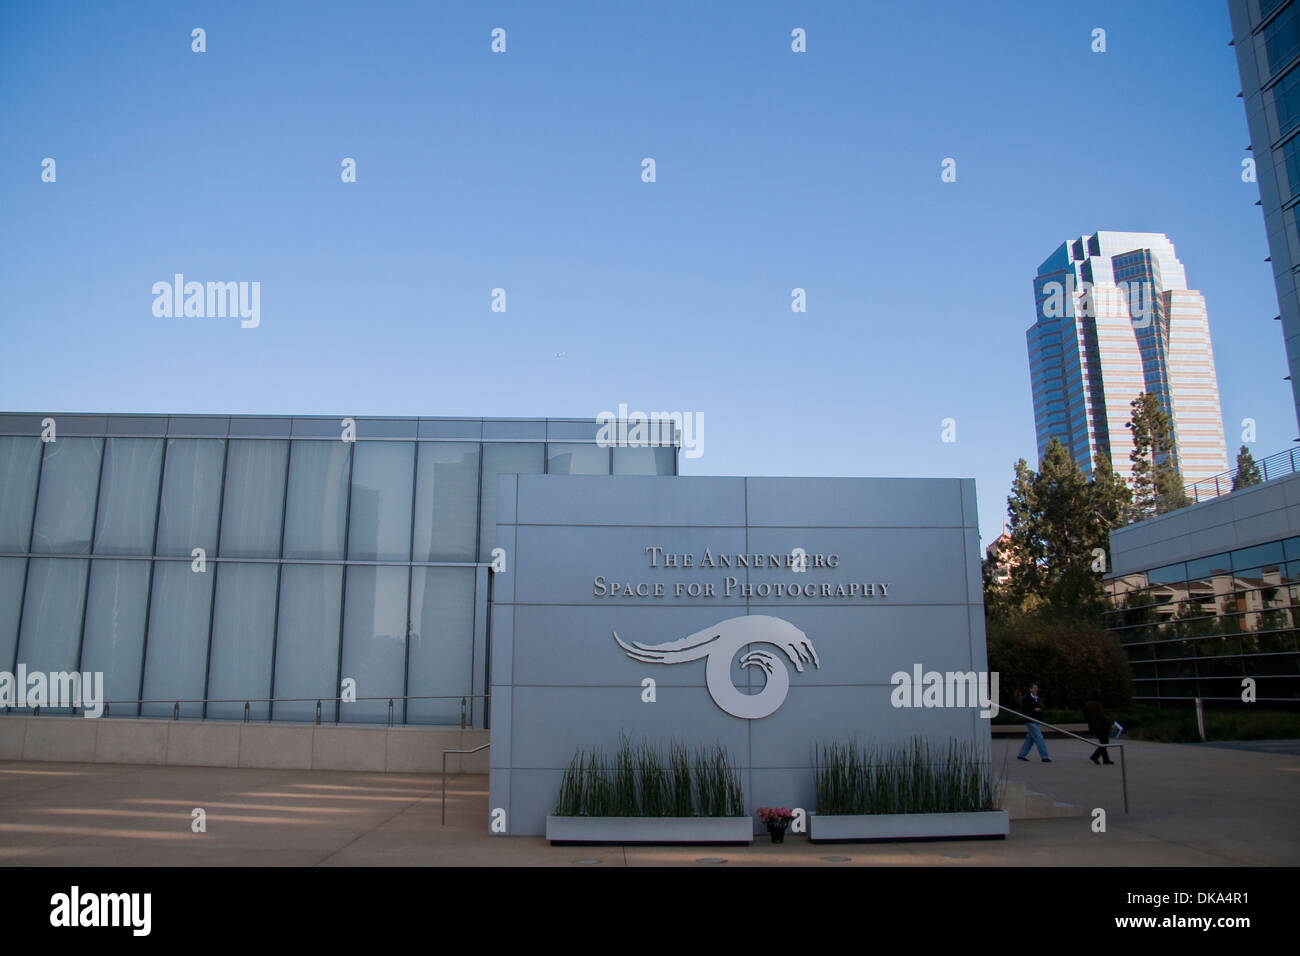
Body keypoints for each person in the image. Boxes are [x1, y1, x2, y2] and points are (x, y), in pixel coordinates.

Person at [1017, 683, 1051, 762]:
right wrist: (1034, 709)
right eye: (1034, 688)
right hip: (1030, 721)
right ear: (1030, 689)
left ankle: (1021, 755)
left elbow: (1042, 707)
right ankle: (1044, 757)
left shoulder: (1037, 698)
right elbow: (1024, 710)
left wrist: (1039, 709)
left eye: (1037, 688)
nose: (1036, 689)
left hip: (1036, 721)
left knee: (1030, 739)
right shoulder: (1027, 699)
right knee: (1039, 738)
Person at [1084, 688, 1114, 765]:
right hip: (1101, 726)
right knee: (1105, 742)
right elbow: (1102, 716)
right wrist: (1109, 723)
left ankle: (1106, 759)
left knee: (1103, 742)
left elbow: (1086, 716)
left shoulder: (1087, 704)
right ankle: (1095, 756)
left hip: (1093, 727)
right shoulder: (1098, 704)